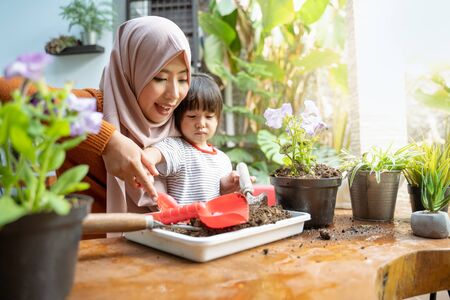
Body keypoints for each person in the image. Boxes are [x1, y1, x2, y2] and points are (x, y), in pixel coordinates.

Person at [0, 16, 192, 214]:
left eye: (183, 79)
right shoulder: (93, 110)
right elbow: (5, 87)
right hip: (95, 244)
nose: (174, 94)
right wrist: (108, 140)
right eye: (159, 78)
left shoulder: (183, 120)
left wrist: (223, 185)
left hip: (173, 242)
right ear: (130, 71)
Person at [141, 73, 239, 205]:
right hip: (182, 224)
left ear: (218, 119)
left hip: (214, 223)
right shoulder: (177, 148)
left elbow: (219, 197)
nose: (201, 123)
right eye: (192, 116)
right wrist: (144, 163)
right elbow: (153, 154)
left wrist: (227, 187)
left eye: (209, 116)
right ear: (178, 117)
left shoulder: (223, 159)